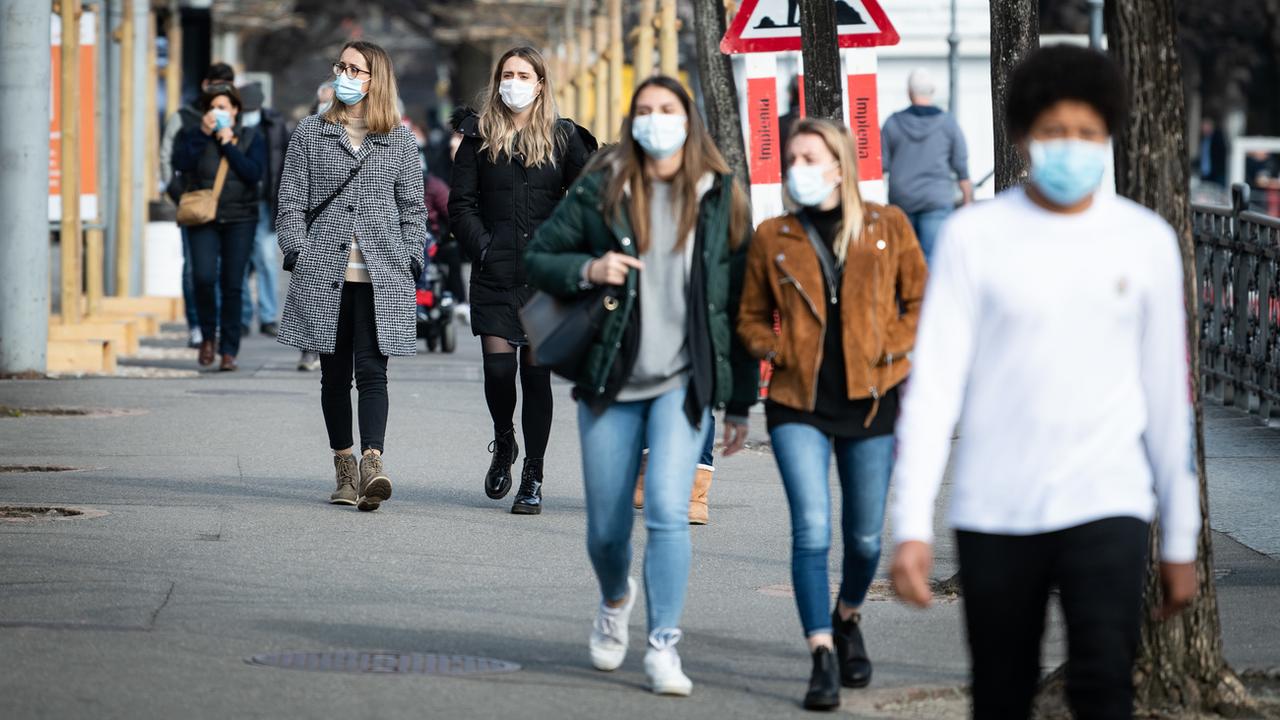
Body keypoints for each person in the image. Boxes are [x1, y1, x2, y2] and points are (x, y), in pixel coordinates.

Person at [888, 45, 1200, 720]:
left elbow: (1167, 397)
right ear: (1026, 134)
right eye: (1055, 131)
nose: (1072, 147)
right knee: (1001, 691)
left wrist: (1179, 535)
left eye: (1088, 133)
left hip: (1108, 503)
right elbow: (934, 386)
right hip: (996, 507)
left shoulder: (1144, 241)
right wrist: (910, 523)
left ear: (1110, 135)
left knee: (1104, 688)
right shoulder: (976, 237)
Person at [524, 75, 757, 697]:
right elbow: (540, 256)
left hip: (684, 385)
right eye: (646, 111)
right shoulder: (606, 185)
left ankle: (663, 647)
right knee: (605, 528)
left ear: (689, 121)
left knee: (667, 515)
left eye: (669, 110)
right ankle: (613, 597)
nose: (657, 120)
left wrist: (739, 402)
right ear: (633, 122)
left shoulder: (719, 195)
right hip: (611, 380)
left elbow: (737, 305)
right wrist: (589, 267)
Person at [738, 118, 927, 711]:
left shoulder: (886, 226)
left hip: (872, 402)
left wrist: (889, 349)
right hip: (798, 404)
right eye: (791, 156)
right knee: (812, 530)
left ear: (840, 165)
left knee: (866, 539)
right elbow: (748, 317)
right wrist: (778, 350)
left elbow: (921, 301)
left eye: (810, 156)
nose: (798, 166)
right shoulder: (774, 235)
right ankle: (820, 652)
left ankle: (847, 617)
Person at [275, 41, 427, 512]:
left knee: (373, 370)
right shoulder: (310, 133)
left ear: (374, 79)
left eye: (355, 68)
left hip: (382, 274)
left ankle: (372, 462)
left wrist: (409, 257)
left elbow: (414, 210)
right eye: (341, 66)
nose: (345, 74)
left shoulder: (399, 140)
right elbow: (291, 203)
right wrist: (299, 251)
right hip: (324, 270)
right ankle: (344, 466)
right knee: (334, 374)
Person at [448, 46, 596, 515]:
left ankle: (533, 472)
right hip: (495, 272)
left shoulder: (563, 137)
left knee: (536, 377)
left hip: (545, 277)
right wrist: (484, 247)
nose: (514, 82)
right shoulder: (478, 137)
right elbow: (460, 204)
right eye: (507, 74)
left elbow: (591, 195)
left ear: (540, 83)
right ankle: (504, 440)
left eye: (523, 74)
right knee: (498, 373)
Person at [171, 83, 266, 372]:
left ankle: (229, 350)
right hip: (204, 218)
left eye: (223, 107)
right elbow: (180, 164)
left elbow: (253, 174)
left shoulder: (251, 137)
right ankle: (207, 337)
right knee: (202, 277)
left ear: (235, 110)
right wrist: (202, 134)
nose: (217, 112)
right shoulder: (191, 135)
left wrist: (228, 143)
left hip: (240, 218)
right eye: (212, 107)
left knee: (232, 284)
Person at [161, 62, 236, 349]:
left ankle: (219, 326)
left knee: (225, 271)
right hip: (193, 203)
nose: (221, 93)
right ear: (205, 85)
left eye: (227, 87)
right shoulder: (185, 117)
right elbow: (168, 157)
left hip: (229, 207)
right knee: (195, 270)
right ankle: (197, 326)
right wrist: (177, 194)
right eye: (216, 85)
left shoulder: (236, 115)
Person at [880, 68, 972, 263]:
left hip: (902, 200)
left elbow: (881, 165)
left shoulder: (893, 123)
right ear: (932, 91)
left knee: (902, 259)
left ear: (909, 92)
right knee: (933, 259)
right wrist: (967, 202)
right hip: (936, 199)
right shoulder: (948, 124)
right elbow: (961, 167)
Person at [237, 82, 292, 339]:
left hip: (266, 202)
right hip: (237, 203)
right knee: (241, 262)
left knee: (267, 261)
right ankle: (243, 317)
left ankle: (268, 316)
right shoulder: (232, 122)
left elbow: (286, 163)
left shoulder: (274, 124)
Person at [296, 80, 338, 374]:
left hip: (342, 231)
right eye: (322, 100)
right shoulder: (307, 132)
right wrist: (294, 243)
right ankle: (309, 349)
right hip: (314, 231)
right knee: (315, 298)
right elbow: (291, 189)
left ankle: (327, 350)